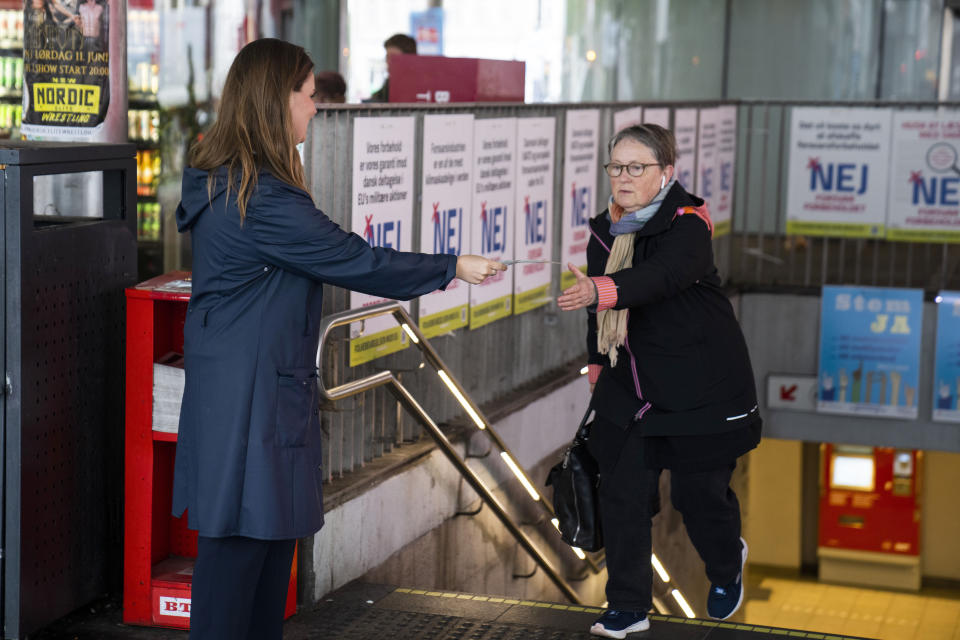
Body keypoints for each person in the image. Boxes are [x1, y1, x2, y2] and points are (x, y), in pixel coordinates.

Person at [172, 38, 505, 640]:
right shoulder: (259, 198)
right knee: (243, 556)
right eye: (307, 95)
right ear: (277, 102)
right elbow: (351, 258)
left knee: (265, 549)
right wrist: (450, 266)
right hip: (252, 395)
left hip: (253, 387)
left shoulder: (240, 184)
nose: (315, 108)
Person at [557, 124, 761, 639]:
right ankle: (628, 606)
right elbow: (595, 307)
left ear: (665, 174)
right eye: (616, 167)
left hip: (701, 385)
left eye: (636, 168)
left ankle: (724, 563)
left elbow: (661, 278)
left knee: (697, 497)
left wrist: (602, 291)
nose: (623, 177)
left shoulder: (688, 224)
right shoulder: (606, 229)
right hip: (632, 382)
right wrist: (596, 362)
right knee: (622, 493)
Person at [367, 32, 417, 103]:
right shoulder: (388, 86)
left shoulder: (420, 88)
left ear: (408, 59)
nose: (388, 62)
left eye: (393, 58)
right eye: (387, 57)